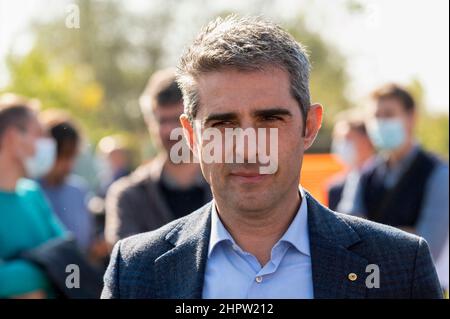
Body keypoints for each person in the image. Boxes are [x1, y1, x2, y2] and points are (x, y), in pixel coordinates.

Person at [102, 16, 442, 299]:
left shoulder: (398, 266)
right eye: (223, 123)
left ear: (309, 126)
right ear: (192, 137)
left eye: (270, 119)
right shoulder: (136, 271)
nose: (249, 147)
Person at [104, 68, 211, 246]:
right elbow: (127, 265)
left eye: (177, 119)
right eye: (161, 121)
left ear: (196, 121)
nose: (169, 130)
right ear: (149, 123)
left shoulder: (228, 185)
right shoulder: (128, 196)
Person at [351, 84, 449, 264]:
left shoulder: (439, 173)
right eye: (375, 116)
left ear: (411, 118)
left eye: (389, 115)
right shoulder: (363, 174)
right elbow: (346, 237)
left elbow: (427, 249)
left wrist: (367, 236)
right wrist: (407, 234)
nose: (380, 123)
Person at [0, 94, 66, 298]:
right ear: (13, 138)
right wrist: (49, 266)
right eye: (40, 133)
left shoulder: (32, 194)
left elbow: (69, 259)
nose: (49, 143)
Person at [38, 110, 94, 253]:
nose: (68, 165)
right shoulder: (28, 191)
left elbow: (85, 244)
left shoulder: (78, 190)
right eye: (63, 156)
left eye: (72, 156)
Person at [327, 113, 375, 212]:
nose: (341, 144)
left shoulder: (382, 178)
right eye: (337, 138)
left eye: (347, 138)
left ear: (367, 139)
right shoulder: (335, 187)